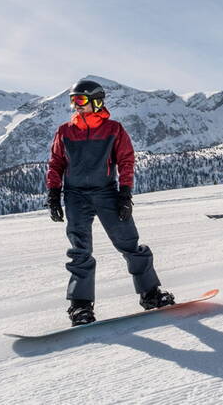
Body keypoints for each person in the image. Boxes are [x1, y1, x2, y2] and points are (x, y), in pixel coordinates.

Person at [45, 79, 174, 326]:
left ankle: (150, 293)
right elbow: (56, 163)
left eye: (81, 100)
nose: (76, 105)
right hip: (75, 195)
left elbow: (126, 161)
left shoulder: (113, 129)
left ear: (96, 101)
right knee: (79, 251)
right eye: (73, 100)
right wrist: (53, 194)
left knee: (129, 244)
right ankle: (81, 306)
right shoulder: (65, 131)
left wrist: (125, 194)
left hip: (106, 193)